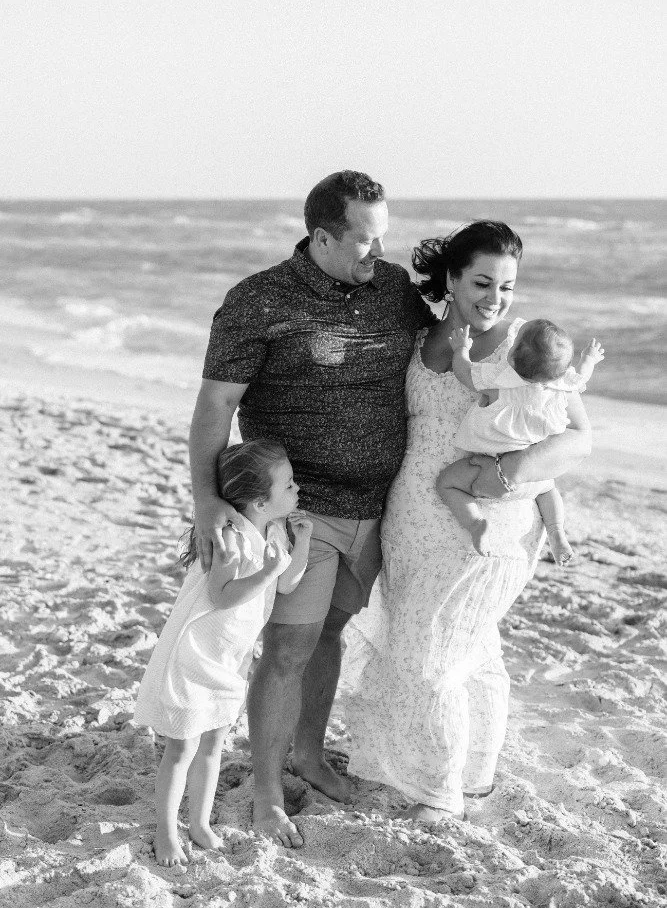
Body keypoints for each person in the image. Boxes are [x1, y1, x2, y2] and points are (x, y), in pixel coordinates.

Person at [188, 170, 435, 847]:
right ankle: (267, 790)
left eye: (382, 239)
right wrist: (208, 500)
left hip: (378, 506)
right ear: (321, 236)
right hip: (300, 510)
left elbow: (450, 347)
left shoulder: (392, 292)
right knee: (291, 644)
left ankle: (309, 755)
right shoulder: (258, 300)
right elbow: (216, 407)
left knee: (328, 633)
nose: (375, 255)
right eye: (362, 241)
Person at [343, 221, 592, 822]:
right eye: (482, 283)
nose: (495, 299)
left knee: (431, 658)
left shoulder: (526, 350)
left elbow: (579, 437)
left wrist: (509, 474)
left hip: (485, 520)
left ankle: (439, 787)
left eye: (506, 287)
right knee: (465, 651)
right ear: (451, 281)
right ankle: (466, 770)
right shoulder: (417, 340)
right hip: (409, 519)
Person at [134, 439, 313, 867]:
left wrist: (301, 541)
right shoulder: (231, 536)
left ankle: (199, 824)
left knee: (213, 744)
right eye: (287, 485)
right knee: (181, 749)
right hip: (196, 657)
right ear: (257, 501)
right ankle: (166, 832)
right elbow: (221, 594)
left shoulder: (271, 531)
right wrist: (267, 570)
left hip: (230, 661)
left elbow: (287, 583)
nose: (296, 489)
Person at [438, 318, 604, 563]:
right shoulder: (561, 387)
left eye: (514, 342)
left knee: (447, 483)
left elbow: (464, 372)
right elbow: (581, 377)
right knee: (549, 490)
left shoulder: (500, 383)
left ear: (512, 358)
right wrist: (588, 359)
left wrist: (461, 348)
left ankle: (475, 525)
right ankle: (557, 533)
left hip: (489, 467)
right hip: (534, 473)